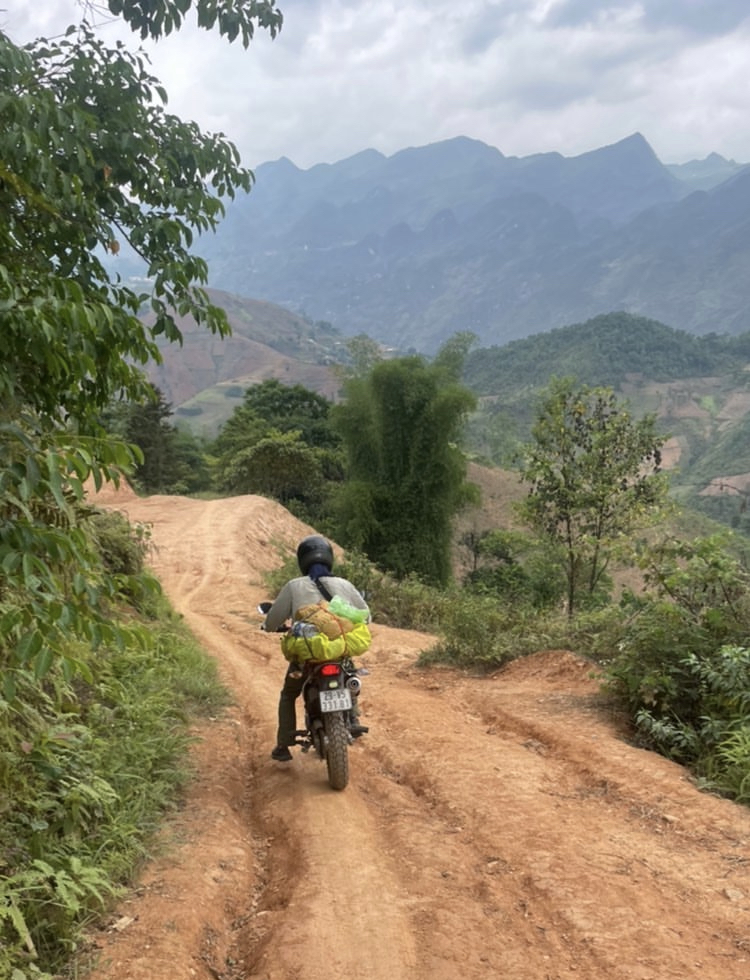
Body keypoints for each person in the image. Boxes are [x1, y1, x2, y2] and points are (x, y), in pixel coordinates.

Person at [264, 534, 371, 762]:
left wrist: (269, 626)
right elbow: (366, 616)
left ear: (302, 560)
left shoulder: (294, 587)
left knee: (289, 694)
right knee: (349, 672)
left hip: (307, 657)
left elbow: (272, 620)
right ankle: (352, 718)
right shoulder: (344, 585)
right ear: (329, 558)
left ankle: (283, 744)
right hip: (338, 652)